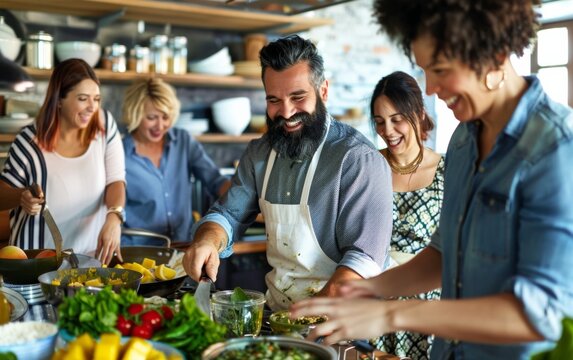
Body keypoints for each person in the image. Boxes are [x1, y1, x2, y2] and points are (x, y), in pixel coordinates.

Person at [291, 0, 573, 359]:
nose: (432, 87)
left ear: (495, 54)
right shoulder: (464, 139)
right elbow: (444, 254)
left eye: (439, 69)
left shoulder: (556, 149)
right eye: (425, 70)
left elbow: (542, 313)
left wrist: (391, 314)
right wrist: (368, 290)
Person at [183, 35, 393, 311]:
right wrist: (207, 240)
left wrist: (309, 317)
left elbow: (363, 261)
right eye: (274, 100)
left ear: (324, 91)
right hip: (279, 314)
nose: (286, 112)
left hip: (346, 321)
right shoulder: (259, 153)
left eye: (298, 97)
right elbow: (228, 215)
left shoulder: (357, 159)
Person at [0, 58, 126, 264]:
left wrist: (114, 217)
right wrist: (20, 196)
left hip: (88, 260)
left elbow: (116, 180)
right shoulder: (29, 141)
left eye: (96, 99)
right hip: (36, 263)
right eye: (83, 98)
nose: (91, 107)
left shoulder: (104, 126)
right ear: (59, 100)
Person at [369, 71, 444, 359]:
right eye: (379, 121)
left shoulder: (447, 170)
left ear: (419, 113)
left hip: (427, 308)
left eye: (396, 119)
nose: (387, 130)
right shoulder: (368, 168)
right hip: (374, 304)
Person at [121, 78, 231, 246]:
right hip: (139, 253)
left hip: (182, 247)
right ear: (134, 114)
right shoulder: (120, 153)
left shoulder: (183, 141)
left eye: (165, 117)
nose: (160, 125)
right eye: (151, 117)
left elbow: (215, 181)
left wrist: (243, 199)